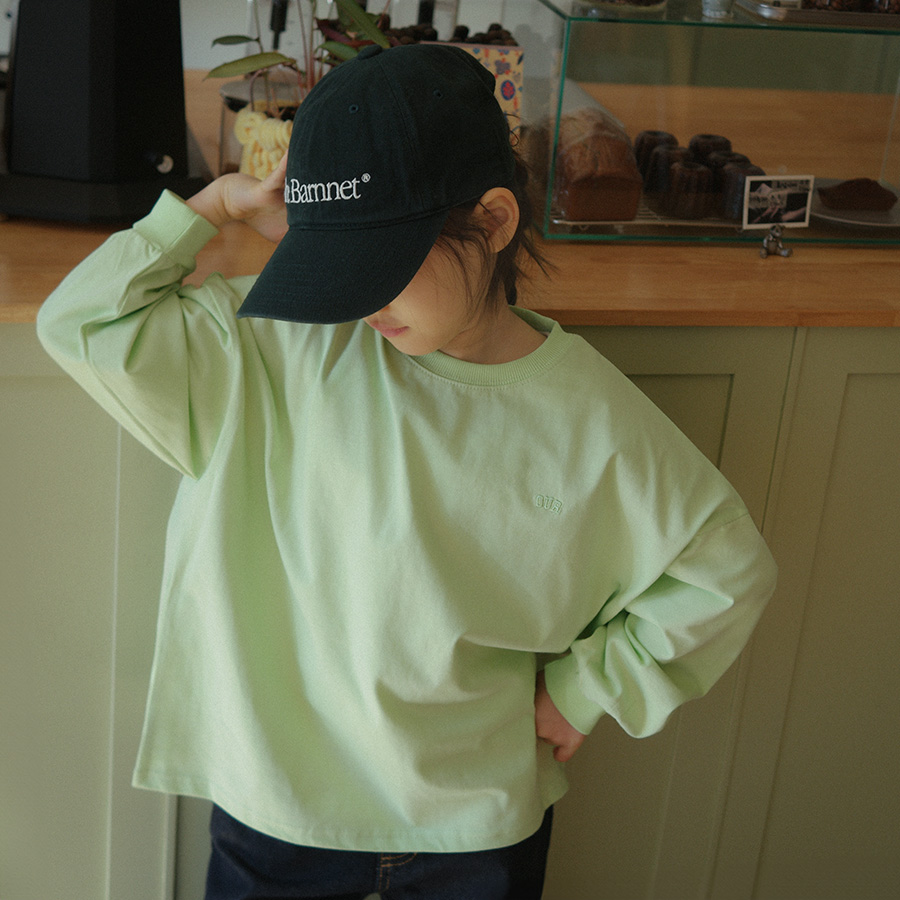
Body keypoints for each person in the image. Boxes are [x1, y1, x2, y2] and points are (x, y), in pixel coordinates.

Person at [37, 43, 776, 900]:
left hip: (474, 832)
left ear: (494, 221)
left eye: (381, 267)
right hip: (279, 814)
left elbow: (725, 569)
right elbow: (82, 322)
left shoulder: (592, 419)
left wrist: (583, 691)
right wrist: (210, 207)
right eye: (334, 271)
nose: (359, 300)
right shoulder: (272, 354)